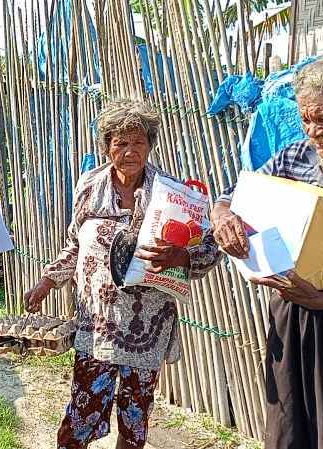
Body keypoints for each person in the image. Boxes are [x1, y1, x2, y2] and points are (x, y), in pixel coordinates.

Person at [211, 53, 323, 449]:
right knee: (286, 431)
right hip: (292, 315)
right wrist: (223, 216)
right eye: (305, 119)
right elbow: (234, 197)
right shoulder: (296, 158)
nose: (312, 131)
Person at [25, 99, 221, 449]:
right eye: (121, 143)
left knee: (135, 420)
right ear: (106, 147)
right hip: (96, 326)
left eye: (139, 142)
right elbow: (75, 244)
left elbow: (209, 249)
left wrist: (182, 254)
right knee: (80, 416)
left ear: (150, 144)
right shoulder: (89, 187)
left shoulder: (173, 194)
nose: (131, 151)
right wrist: (47, 280)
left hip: (147, 329)